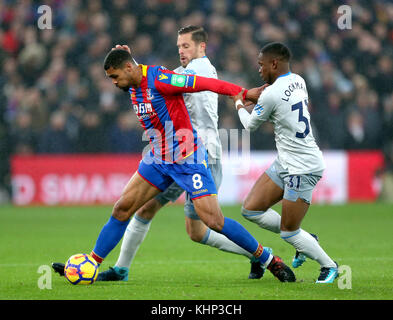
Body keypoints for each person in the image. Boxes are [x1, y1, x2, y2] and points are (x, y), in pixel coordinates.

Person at [53, 45, 296, 282]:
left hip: (187, 160)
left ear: (128, 68)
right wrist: (125, 54)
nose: (114, 83)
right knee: (122, 209)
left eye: (115, 76)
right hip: (158, 159)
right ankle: (90, 266)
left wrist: (242, 93)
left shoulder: (161, 79)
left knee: (214, 221)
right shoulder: (131, 81)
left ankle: (268, 259)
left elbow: (206, 84)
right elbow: (128, 69)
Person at [95, 26, 272, 281]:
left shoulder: (200, 68)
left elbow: (173, 79)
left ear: (202, 48)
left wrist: (241, 93)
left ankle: (262, 252)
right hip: (170, 154)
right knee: (147, 210)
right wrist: (130, 64)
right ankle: (121, 269)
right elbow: (155, 78)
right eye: (178, 46)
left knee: (203, 227)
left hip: (199, 154)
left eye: (186, 46)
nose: (181, 51)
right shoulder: (174, 74)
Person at [233, 42, 338, 283]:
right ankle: (306, 239)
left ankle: (330, 266)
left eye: (261, 65)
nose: (258, 69)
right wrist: (257, 97)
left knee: (289, 232)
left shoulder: (271, 93)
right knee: (250, 209)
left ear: (274, 63)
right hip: (286, 162)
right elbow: (276, 103)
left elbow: (249, 125)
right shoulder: (298, 80)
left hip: (303, 167)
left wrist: (239, 102)